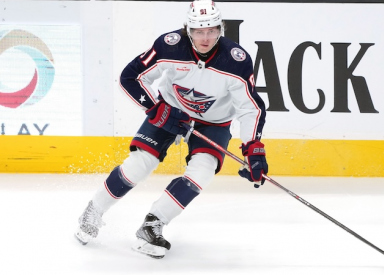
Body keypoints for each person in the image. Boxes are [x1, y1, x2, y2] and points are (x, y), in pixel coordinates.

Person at [75, 0, 268, 259]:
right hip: (169, 111)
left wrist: (253, 150)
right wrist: (157, 109)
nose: (206, 37)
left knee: (203, 171)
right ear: (188, 29)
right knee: (139, 164)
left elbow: (250, 108)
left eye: (212, 30)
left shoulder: (237, 61)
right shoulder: (169, 45)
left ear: (220, 28)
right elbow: (130, 77)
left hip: (214, 122)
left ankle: (153, 224)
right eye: (199, 31)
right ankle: (94, 210)